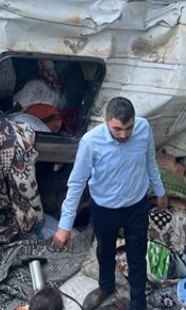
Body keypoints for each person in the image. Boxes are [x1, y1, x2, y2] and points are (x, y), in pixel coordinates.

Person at [54, 97, 167, 310]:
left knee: (137, 257)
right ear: (106, 121)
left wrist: (160, 191)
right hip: (105, 209)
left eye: (128, 128)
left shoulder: (143, 129)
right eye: (117, 129)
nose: (124, 134)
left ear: (135, 122)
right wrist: (64, 225)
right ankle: (106, 286)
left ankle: (138, 303)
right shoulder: (90, 142)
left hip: (137, 206)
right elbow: (77, 183)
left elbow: (150, 160)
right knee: (105, 251)